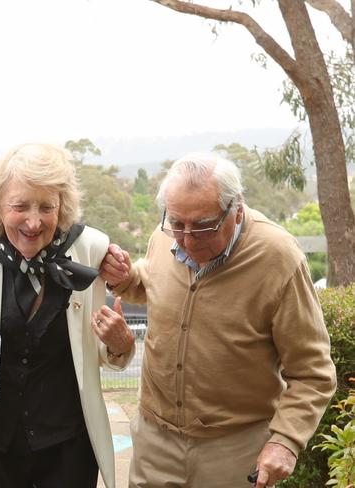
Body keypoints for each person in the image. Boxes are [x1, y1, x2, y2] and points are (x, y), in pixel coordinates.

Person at [101, 152, 337, 488]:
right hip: (155, 442)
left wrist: (285, 439)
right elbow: (150, 283)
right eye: (176, 223)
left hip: (235, 450)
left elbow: (313, 372)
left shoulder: (279, 258)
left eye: (202, 226)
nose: (186, 238)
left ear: (236, 208)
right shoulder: (166, 234)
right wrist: (124, 278)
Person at [0, 143, 136, 488]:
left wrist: (120, 344)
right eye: (20, 206)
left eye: (47, 206)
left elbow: (106, 353)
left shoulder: (92, 250)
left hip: (68, 449)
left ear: (62, 207)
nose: (34, 221)